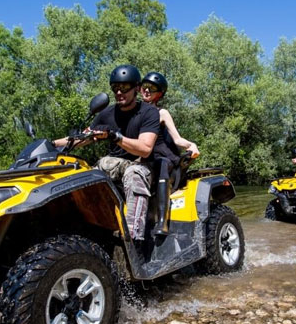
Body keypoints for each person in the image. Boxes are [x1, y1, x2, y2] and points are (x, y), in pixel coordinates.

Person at [55, 65, 160, 247]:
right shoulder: (107, 113)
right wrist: (52, 144)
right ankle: (84, 232)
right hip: (115, 164)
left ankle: (134, 241)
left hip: (143, 165)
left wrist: (115, 136)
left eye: (124, 88)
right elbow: (83, 138)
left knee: (134, 173)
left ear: (136, 88)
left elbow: (145, 149)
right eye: (115, 88)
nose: (119, 92)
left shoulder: (149, 112)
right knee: (85, 174)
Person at [140, 71, 199, 236]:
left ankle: (162, 222)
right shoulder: (136, 113)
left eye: (152, 88)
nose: (147, 90)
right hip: (145, 161)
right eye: (145, 87)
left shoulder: (162, 113)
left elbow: (178, 139)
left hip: (166, 161)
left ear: (159, 94)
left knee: (161, 164)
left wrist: (192, 145)